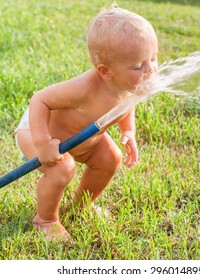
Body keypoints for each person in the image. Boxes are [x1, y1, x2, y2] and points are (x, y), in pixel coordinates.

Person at [15, 4, 158, 241]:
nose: (151, 70)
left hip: (83, 139)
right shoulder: (85, 89)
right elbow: (40, 100)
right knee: (62, 168)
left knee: (111, 158)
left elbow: (126, 103)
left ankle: (82, 206)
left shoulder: (130, 83)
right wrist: (43, 143)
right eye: (138, 66)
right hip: (38, 131)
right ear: (105, 71)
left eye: (153, 58)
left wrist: (128, 131)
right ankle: (46, 220)